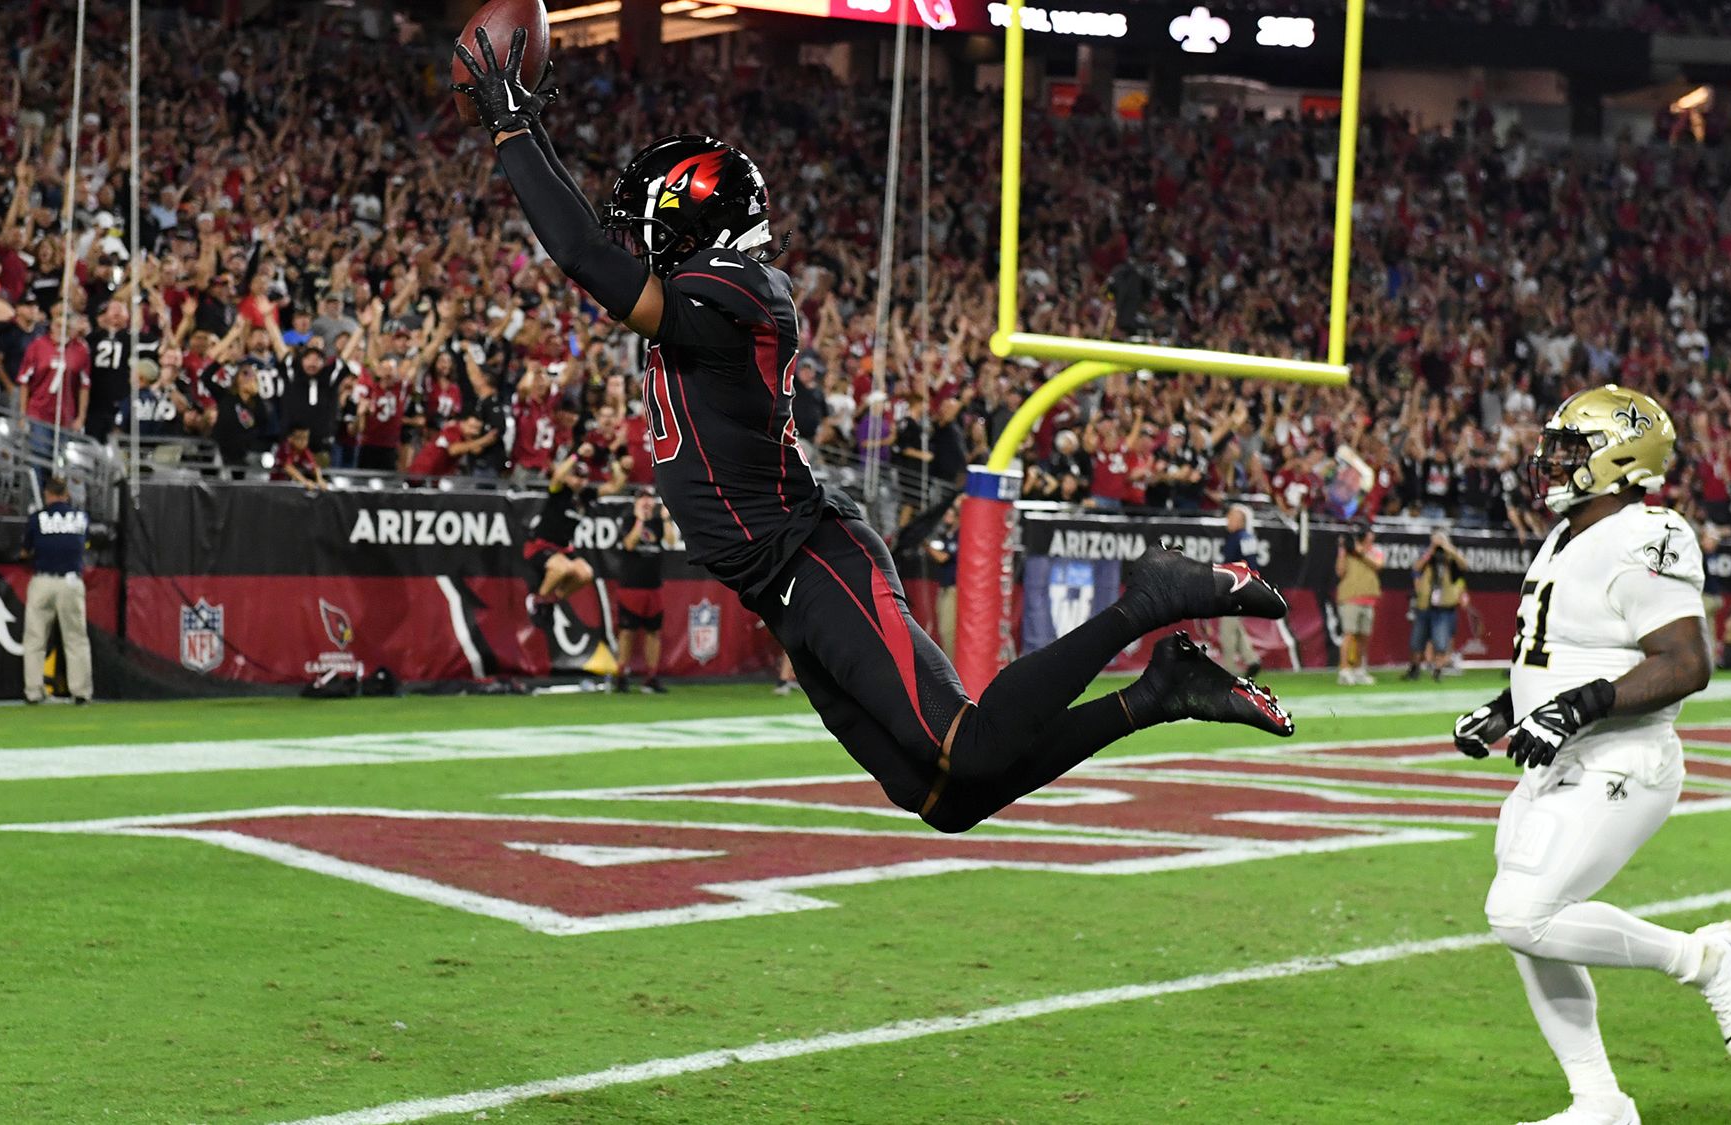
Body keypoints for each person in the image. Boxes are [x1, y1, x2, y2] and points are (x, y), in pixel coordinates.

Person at [456, 33, 1296, 834]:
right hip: (779, 584)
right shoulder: (708, 297)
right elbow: (598, 254)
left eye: (649, 219)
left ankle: (1149, 599)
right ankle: (1158, 691)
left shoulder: (736, 290)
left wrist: (512, 125)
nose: (638, 240)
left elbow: (584, 258)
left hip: (811, 557)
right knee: (944, 795)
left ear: (695, 218)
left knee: (964, 744)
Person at [1451, 386, 1731, 1125]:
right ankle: (1598, 1101)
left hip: (1623, 757)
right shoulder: (1564, 533)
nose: (1551, 460)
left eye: (1570, 447)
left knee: (1520, 912)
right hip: (1557, 760)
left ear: (1620, 459)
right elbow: (1565, 651)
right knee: (1534, 932)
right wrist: (1508, 708)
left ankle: (1706, 958)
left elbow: (1684, 662)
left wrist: (1579, 705)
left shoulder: (1643, 532)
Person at [20, 476, 92, 705]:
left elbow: (24, 552)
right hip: (70, 582)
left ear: (47, 494)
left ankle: (33, 691)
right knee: (76, 639)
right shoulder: (80, 518)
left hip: (43, 580)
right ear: (66, 494)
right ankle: (81, 691)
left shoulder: (37, 518)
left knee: (35, 639)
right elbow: (84, 545)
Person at [614, 489, 678, 693]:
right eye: (642, 498)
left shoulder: (659, 522)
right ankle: (621, 673)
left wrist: (667, 519)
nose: (646, 501)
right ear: (636, 501)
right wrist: (639, 521)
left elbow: (671, 542)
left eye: (649, 498)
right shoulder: (627, 519)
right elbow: (629, 544)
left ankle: (651, 675)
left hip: (653, 586)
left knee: (653, 632)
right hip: (631, 586)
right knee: (627, 632)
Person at [522, 453, 599, 622]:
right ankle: (538, 599)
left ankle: (553, 599)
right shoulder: (559, 491)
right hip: (541, 545)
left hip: (564, 548)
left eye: (584, 477)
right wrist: (576, 455)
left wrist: (619, 464)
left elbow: (614, 487)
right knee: (563, 568)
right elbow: (557, 475)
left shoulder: (586, 496)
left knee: (585, 573)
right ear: (568, 477)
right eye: (576, 476)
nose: (580, 481)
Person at [1407, 529, 1469, 682]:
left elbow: (1464, 565)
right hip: (1425, 604)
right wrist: (1431, 549)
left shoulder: (1451, 558)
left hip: (1443, 606)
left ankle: (1438, 670)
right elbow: (1416, 567)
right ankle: (1414, 668)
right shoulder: (1427, 554)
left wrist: (1448, 548)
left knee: (1441, 641)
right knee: (1417, 640)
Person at [1216, 504, 1264, 678]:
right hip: (1241, 586)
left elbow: (1240, 565)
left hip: (1236, 587)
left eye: (1231, 517)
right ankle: (1252, 660)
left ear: (1240, 520)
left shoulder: (1239, 538)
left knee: (1227, 629)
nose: (1227, 520)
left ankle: (1229, 668)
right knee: (1234, 626)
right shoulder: (1243, 537)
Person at [1334, 524, 1383, 685]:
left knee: (1364, 637)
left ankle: (1359, 669)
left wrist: (1359, 552)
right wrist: (1343, 551)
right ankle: (1344, 669)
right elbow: (1340, 572)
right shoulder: (1347, 553)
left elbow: (1378, 565)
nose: (1371, 537)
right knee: (1349, 634)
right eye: (1369, 535)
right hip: (1350, 598)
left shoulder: (1375, 551)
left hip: (1369, 599)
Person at [924, 498, 960, 658]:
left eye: (949, 514)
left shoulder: (959, 535)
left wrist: (925, 546)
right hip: (945, 586)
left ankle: (953, 667)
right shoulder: (948, 535)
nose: (946, 517)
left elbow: (943, 557)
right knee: (943, 629)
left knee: (948, 631)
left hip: (952, 588)